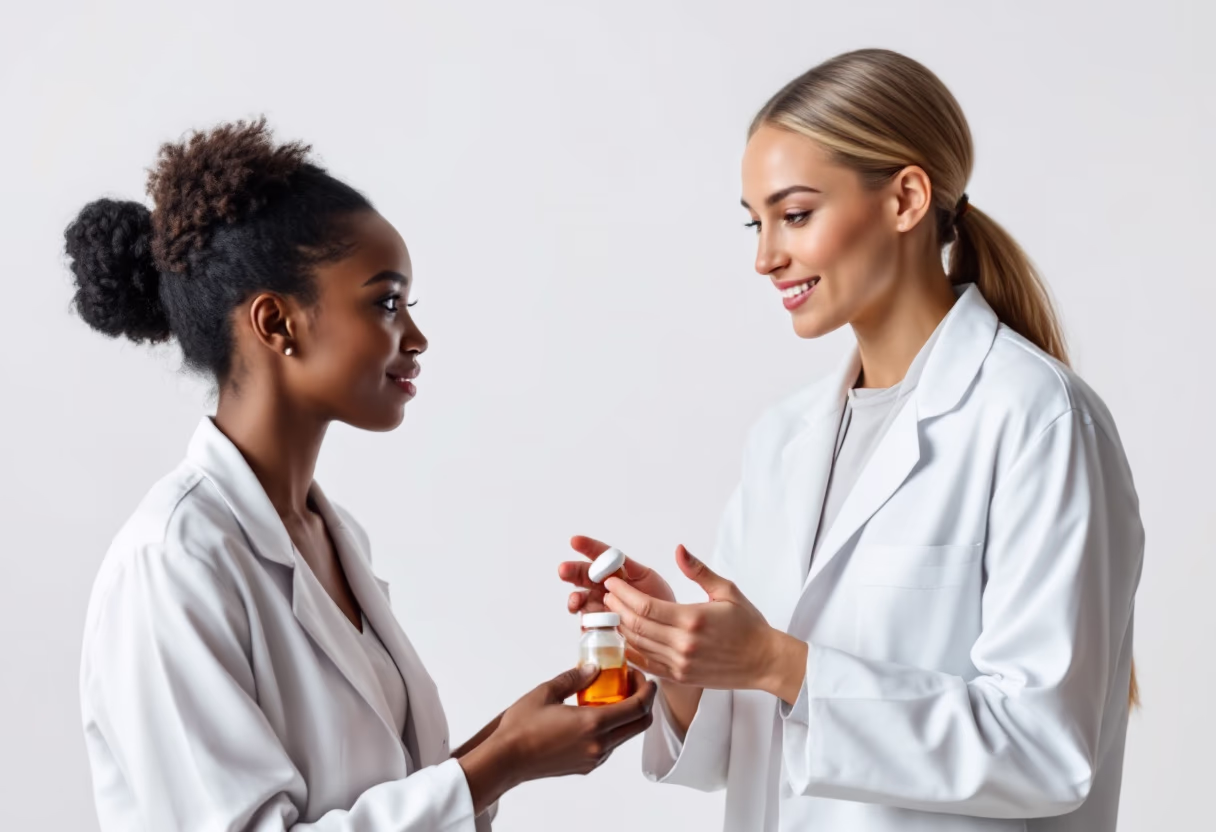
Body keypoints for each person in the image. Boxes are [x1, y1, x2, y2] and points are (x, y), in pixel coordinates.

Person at [560, 48, 1142, 831]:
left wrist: (775, 660)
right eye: (754, 221)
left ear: (905, 198)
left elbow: (1045, 751)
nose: (766, 256)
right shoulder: (784, 439)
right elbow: (758, 747)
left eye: (795, 215)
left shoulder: (1038, 421)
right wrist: (686, 654)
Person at [69, 119, 656, 832]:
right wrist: (496, 766)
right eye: (386, 302)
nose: (416, 337)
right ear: (277, 322)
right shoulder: (170, 562)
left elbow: (380, 795)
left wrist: (506, 747)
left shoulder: (330, 534)